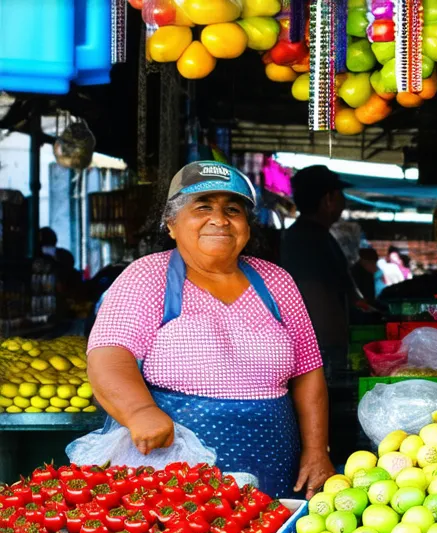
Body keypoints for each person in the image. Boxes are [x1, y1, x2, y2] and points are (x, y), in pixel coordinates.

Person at [87, 161, 336, 499]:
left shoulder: (277, 282)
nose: (220, 219)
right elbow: (110, 355)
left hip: (273, 456)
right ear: (172, 224)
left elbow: (308, 372)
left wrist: (317, 450)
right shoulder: (146, 276)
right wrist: (139, 412)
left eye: (232, 209)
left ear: (247, 226)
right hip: (174, 463)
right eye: (203, 207)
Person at [279, 165, 364, 374]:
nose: (344, 201)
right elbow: (315, 295)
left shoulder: (316, 235)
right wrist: (332, 352)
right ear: (329, 199)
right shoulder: (307, 240)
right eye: (340, 195)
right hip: (320, 354)